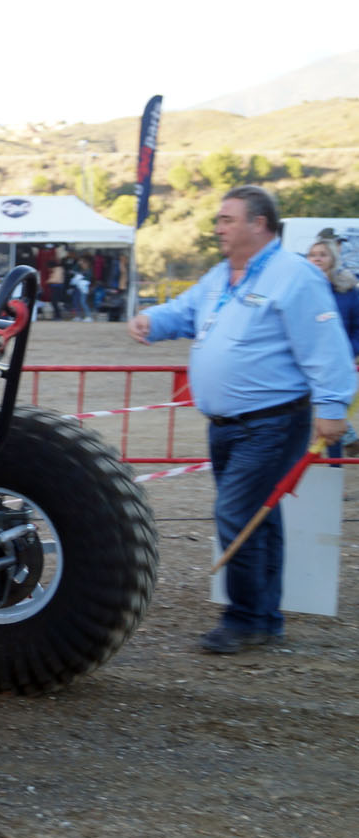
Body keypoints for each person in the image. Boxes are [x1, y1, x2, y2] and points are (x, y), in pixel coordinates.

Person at [128, 185, 355, 653]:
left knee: (236, 513)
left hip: (272, 422)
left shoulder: (295, 277)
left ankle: (244, 618)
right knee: (256, 517)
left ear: (260, 223)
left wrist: (333, 409)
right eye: (219, 219)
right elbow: (187, 311)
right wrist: (154, 320)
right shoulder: (220, 276)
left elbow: (325, 348)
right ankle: (263, 618)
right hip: (227, 424)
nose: (218, 227)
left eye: (228, 219)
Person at [305, 236, 359, 456]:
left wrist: (347, 352)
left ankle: (334, 468)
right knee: (304, 418)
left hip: (337, 365)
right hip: (306, 363)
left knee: (331, 415)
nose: (317, 259)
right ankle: (349, 436)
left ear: (333, 259)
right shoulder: (299, 290)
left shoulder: (348, 292)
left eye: (322, 254)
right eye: (313, 255)